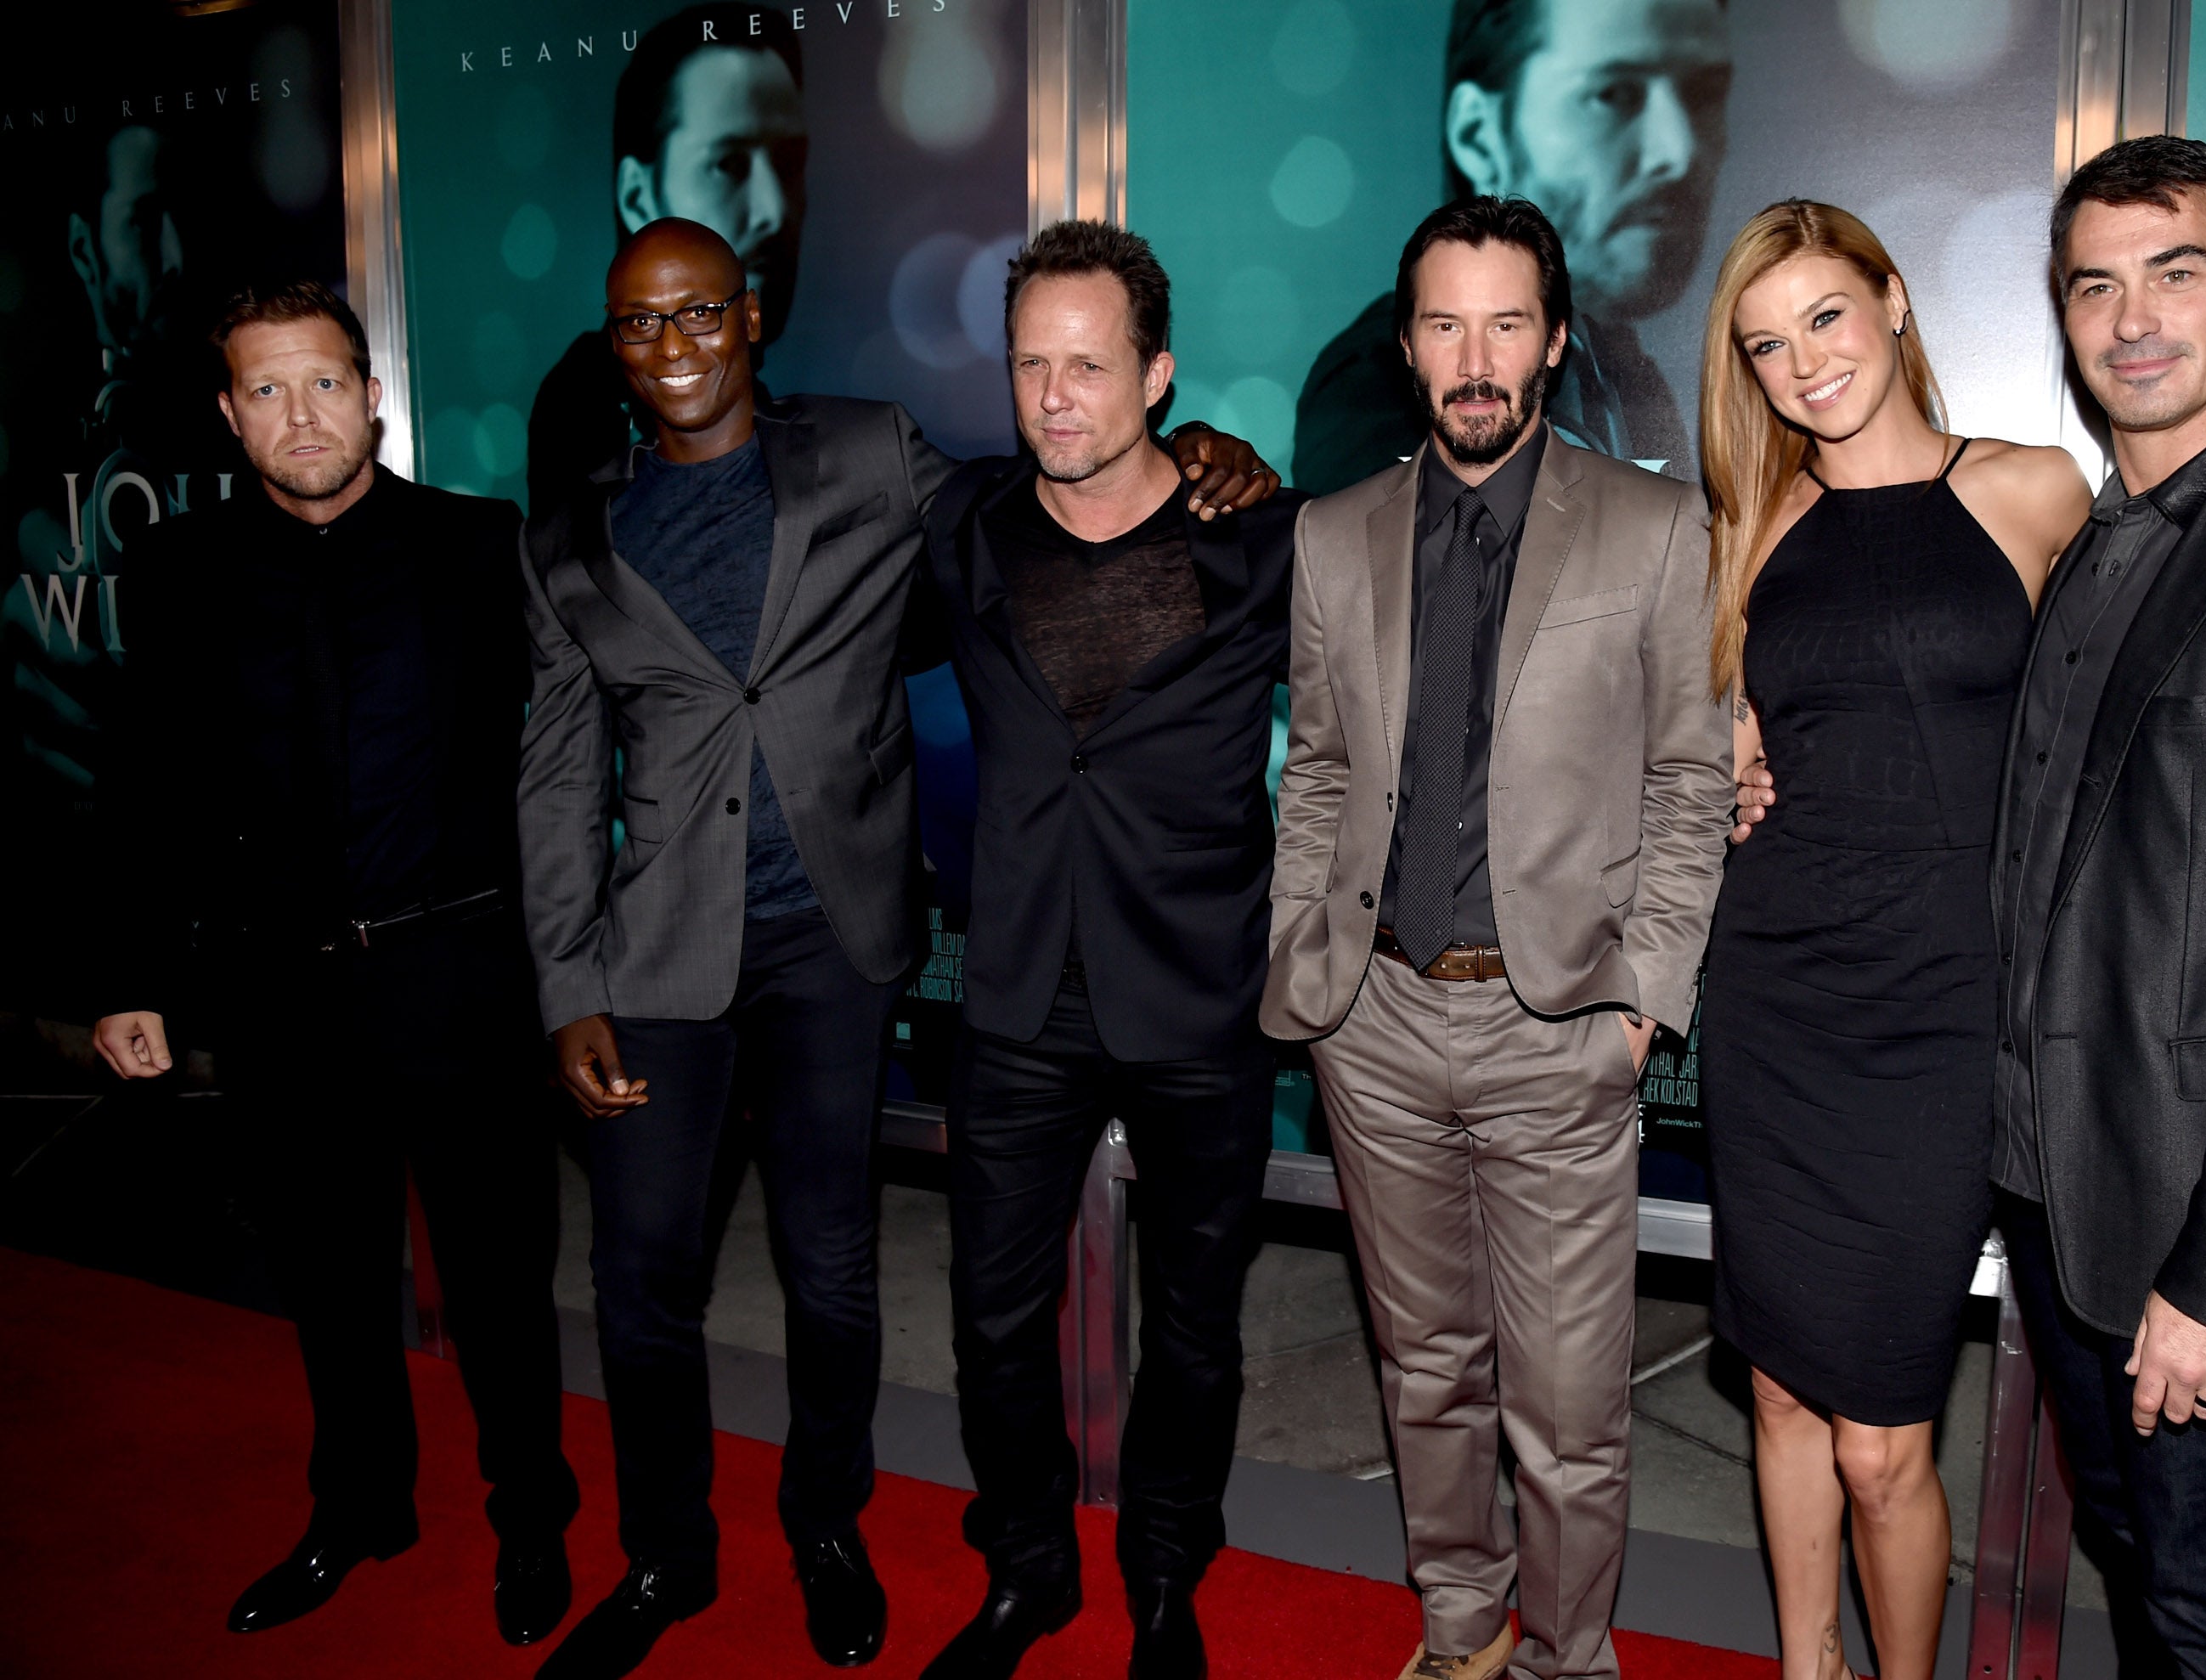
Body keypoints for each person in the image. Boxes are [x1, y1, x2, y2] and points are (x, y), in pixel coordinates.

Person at [1735, 137, 2206, 1676]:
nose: (2134, 318)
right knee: (2151, 1579)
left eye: (2178, 272)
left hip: (2197, 1226)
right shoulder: (2101, 549)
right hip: (2049, 1180)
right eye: (2097, 285)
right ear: (2060, 314)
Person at [517, 218, 1273, 1680]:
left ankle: (854, 1525)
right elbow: (553, 776)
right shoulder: (571, 533)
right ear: (612, 345)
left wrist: (1211, 448)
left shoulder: (876, 457)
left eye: (697, 315)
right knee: (653, 1282)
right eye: (638, 323)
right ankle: (690, 1553)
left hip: (845, 943)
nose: (671, 346)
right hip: (667, 951)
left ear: (750, 322)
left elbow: (1086, 487)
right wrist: (566, 983)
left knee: (847, 1272)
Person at [1265, 195, 1732, 1680]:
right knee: (1426, 1371)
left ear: (1556, 339)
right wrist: (1307, 970)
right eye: (1448, 324)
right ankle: (1462, 1628)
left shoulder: (1657, 528)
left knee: (1573, 1401)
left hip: (1561, 1028)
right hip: (1378, 1026)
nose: (1479, 357)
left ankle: (1570, 1656)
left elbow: (1689, 777)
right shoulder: (1333, 536)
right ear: (1409, 347)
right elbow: (1321, 766)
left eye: (1508, 322)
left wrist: (1640, 1000)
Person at [88, 281, 580, 1649]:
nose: (299, 415)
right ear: (230, 416)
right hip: (280, 995)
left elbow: (584, 743)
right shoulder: (177, 568)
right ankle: (361, 1505)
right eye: (266, 389)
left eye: (323, 383)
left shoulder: (486, 547)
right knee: (331, 1282)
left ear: (372, 394)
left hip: (462, 981)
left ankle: (530, 1512)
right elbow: (146, 784)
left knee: (498, 1286)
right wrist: (133, 972)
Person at [1695, 200, 2085, 1680]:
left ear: (1896, 300)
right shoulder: (1751, 524)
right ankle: (1810, 1666)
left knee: (1880, 1438)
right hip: (1780, 997)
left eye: (1826, 318)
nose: (1802, 364)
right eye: (1766, 344)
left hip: (1943, 1010)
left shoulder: (2034, 491)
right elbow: (1687, 723)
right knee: (1786, 1399)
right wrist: (1718, 752)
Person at [915, 220, 1300, 1680]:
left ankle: (1160, 1571)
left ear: (1159, 375)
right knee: (996, 1317)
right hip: (1015, 993)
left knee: (1196, 1321)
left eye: (1089, 365)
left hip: (1200, 992)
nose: (1055, 396)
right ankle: (1027, 1569)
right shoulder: (960, 531)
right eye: (1030, 364)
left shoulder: (1260, 541)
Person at [1291, 0, 1729, 493]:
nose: (1678, 151)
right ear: (1479, 136)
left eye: (1705, 92)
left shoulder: (1621, 370)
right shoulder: (1376, 387)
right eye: (1612, 94)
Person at [527, 3, 807, 518]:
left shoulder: (860, 442)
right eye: (727, 163)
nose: (773, 210)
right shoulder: (585, 406)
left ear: (750, 315)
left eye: (790, 163)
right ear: (636, 196)